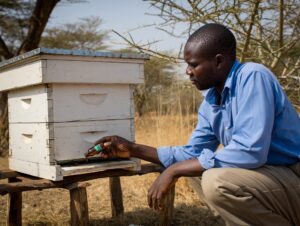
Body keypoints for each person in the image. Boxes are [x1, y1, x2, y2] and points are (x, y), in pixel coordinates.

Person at [95, 23, 300, 226]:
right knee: (197, 169)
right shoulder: (211, 101)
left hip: (292, 173)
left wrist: (173, 170)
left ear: (218, 61)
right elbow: (193, 154)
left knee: (215, 181)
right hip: (270, 176)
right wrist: (132, 148)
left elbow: (250, 151)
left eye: (193, 64)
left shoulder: (253, 76)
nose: (188, 72)